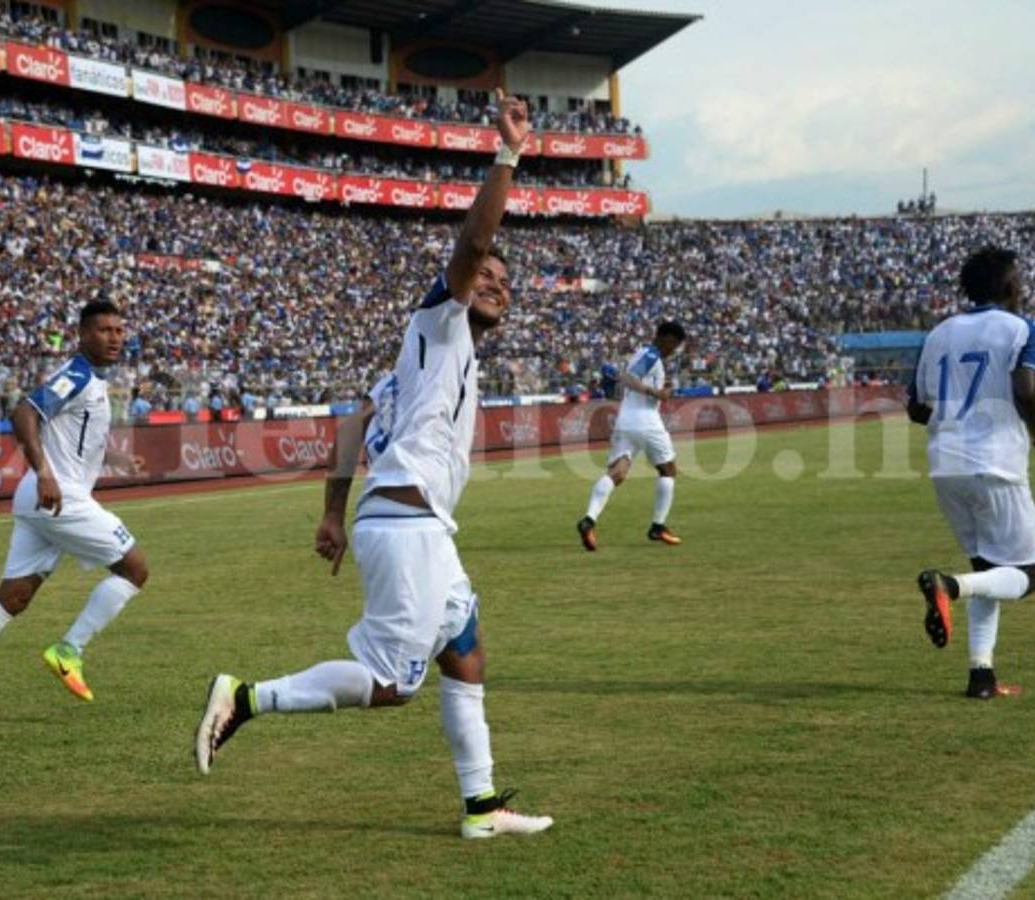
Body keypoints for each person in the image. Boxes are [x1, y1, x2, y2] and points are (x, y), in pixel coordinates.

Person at [194, 90, 553, 840]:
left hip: (414, 524)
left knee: (465, 650)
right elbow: (467, 249)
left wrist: (330, 511)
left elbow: (353, 424)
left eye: (504, 283)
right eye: (487, 274)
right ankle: (246, 696)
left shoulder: (408, 372)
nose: (494, 283)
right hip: (409, 524)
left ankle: (481, 807)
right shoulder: (441, 321)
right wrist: (508, 154)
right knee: (392, 685)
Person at [0, 301, 149, 731]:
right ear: (83, 335)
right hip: (57, 496)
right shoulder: (79, 374)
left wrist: (117, 460)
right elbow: (24, 412)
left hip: (42, 498)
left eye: (120, 330)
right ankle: (70, 651)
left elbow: (75, 441)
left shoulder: (96, 382)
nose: (115, 337)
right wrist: (45, 472)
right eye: (104, 330)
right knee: (135, 568)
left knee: (13, 596)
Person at [907, 246, 1035, 700]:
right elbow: (1025, 388)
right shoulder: (1021, 328)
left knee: (988, 568)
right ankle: (947, 585)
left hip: (946, 466)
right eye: (1019, 279)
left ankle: (981, 675)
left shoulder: (940, 332)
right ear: (1008, 286)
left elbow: (915, 405)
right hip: (995, 464)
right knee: (1025, 576)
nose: (1022, 287)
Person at [577, 321, 686, 551]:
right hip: (646, 420)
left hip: (625, 420)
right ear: (667, 338)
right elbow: (627, 378)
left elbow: (632, 380)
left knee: (617, 472)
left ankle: (589, 520)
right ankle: (658, 526)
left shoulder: (642, 352)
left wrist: (661, 390)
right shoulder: (652, 354)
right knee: (668, 470)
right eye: (674, 345)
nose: (673, 351)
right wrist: (655, 392)